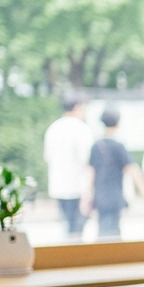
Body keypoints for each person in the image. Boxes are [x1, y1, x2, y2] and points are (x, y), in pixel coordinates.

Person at [82, 108, 144, 240]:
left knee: (103, 229)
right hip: (115, 196)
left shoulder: (96, 146)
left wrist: (86, 196)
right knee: (113, 233)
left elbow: (90, 173)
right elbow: (132, 168)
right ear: (118, 123)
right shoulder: (118, 146)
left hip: (100, 196)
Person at [42, 98, 92, 239]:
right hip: (78, 188)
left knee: (67, 228)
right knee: (77, 230)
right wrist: (89, 191)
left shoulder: (53, 129)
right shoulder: (82, 129)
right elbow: (88, 163)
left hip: (59, 188)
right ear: (77, 107)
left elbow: (48, 158)